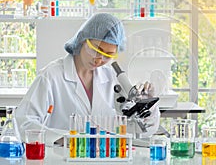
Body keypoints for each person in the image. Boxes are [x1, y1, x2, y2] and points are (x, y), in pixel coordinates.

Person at [15, 13, 160, 146]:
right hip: (62, 157)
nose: (99, 60)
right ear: (82, 40)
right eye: (96, 51)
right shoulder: (51, 76)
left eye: (108, 55)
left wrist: (149, 106)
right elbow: (24, 123)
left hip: (104, 157)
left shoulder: (111, 77)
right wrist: (63, 139)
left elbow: (144, 131)